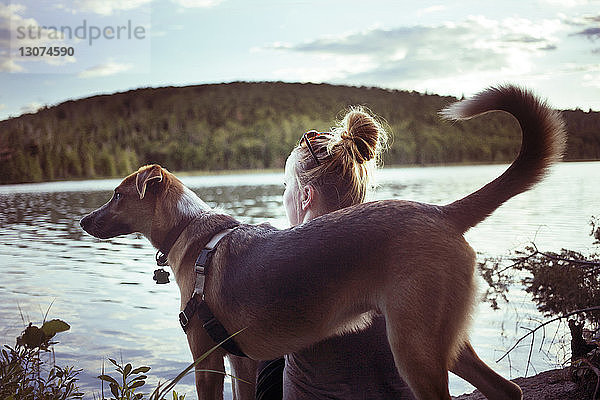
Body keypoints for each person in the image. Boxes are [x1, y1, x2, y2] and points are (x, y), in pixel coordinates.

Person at [256, 107, 415, 399]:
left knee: (256, 340)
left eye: (286, 185)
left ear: (305, 196)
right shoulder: (397, 251)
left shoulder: (289, 260)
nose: (284, 195)